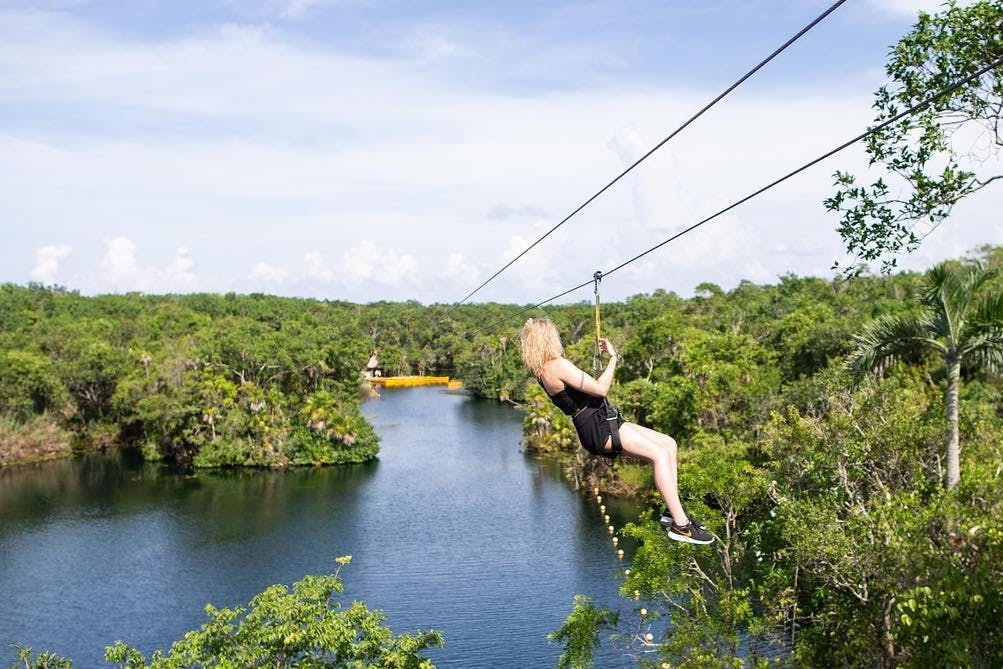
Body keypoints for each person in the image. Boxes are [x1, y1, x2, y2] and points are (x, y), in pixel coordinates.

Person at [519, 317, 713, 545]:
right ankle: (682, 526)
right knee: (659, 455)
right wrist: (613, 358)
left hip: (600, 420)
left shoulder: (541, 369)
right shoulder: (557, 365)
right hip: (598, 427)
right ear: (548, 339)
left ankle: (672, 511)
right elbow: (600, 389)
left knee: (669, 443)